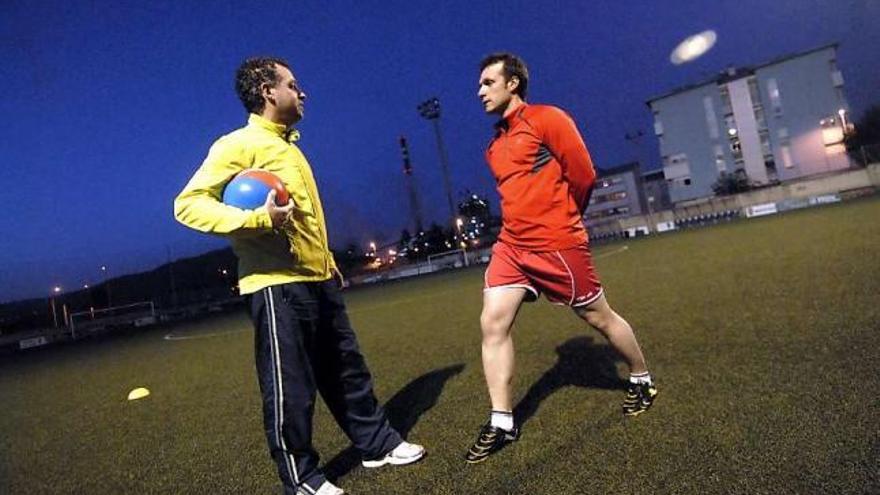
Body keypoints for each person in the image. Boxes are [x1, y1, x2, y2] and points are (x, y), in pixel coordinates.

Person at [174, 56, 424, 495]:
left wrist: (327, 264)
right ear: (269, 92)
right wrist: (256, 219)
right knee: (291, 385)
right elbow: (188, 204)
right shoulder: (237, 145)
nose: (302, 91)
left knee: (347, 368)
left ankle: (377, 445)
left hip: (319, 278)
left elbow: (306, 220)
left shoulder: (290, 146)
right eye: (293, 83)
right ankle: (302, 477)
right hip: (275, 284)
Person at [465, 52, 657, 464]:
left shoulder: (549, 119)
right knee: (492, 322)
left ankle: (641, 378)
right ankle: (502, 421)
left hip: (557, 244)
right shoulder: (494, 145)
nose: (479, 91)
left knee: (599, 318)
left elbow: (584, 174)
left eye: (487, 82)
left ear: (512, 83)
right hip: (512, 247)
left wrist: (565, 220)